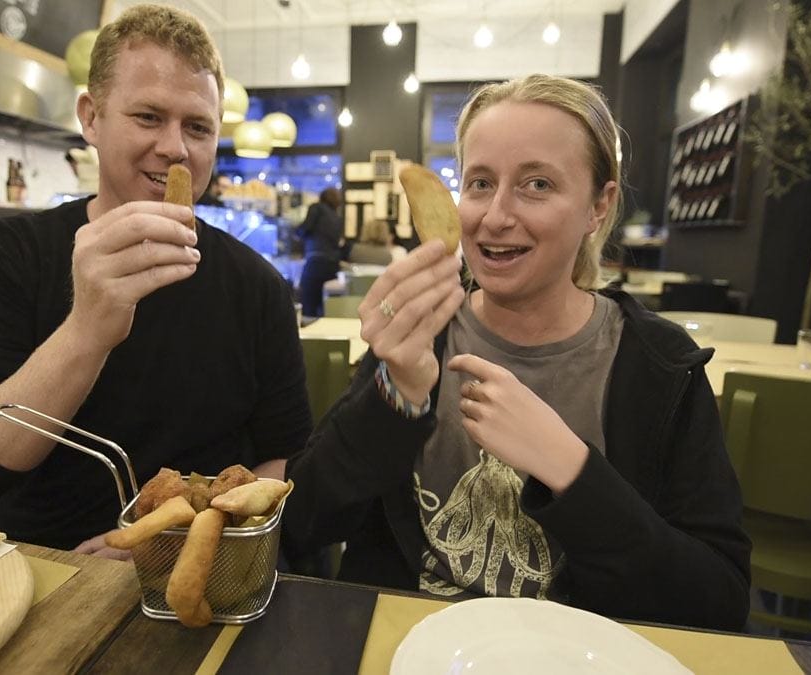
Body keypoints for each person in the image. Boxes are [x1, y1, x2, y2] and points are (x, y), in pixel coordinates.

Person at [282, 75, 751, 631]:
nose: (496, 216)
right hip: (411, 648)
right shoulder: (424, 332)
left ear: (599, 207)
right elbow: (302, 525)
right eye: (480, 182)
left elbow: (717, 600)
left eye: (537, 185)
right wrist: (397, 396)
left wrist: (570, 469)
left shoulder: (658, 365)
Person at [0, 4, 311, 558]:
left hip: (201, 572)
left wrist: (167, 545)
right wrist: (87, 328)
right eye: (149, 117)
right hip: (46, 572)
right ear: (91, 117)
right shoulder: (9, 256)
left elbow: (278, 463)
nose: (176, 147)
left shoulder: (259, 288)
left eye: (198, 127)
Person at [296, 187, 344, 317]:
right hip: (333, 264)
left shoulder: (316, 208)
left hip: (315, 260)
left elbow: (306, 228)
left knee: (308, 303)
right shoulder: (337, 217)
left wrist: (297, 232)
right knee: (327, 306)